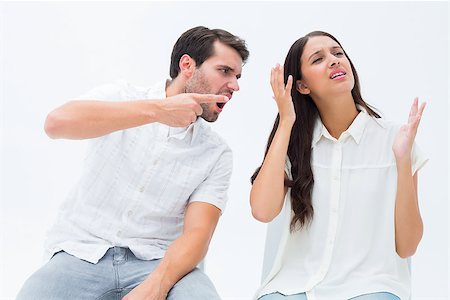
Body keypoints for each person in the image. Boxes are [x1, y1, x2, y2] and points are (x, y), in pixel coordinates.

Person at [17, 26, 249, 300]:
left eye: (237, 76)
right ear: (187, 65)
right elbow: (56, 124)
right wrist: (158, 111)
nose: (235, 86)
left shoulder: (216, 153)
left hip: (161, 263)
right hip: (81, 252)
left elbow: (198, 234)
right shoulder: (123, 96)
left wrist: (157, 285)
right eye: (224, 71)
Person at [250, 31, 427, 300]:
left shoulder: (396, 139)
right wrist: (286, 120)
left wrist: (403, 162)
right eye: (318, 59)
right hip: (294, 286)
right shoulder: (294, 144)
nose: (334, 61)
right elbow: (262, 211)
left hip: (372, 287)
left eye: (338, 53)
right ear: (302, 86)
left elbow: (407, 246)